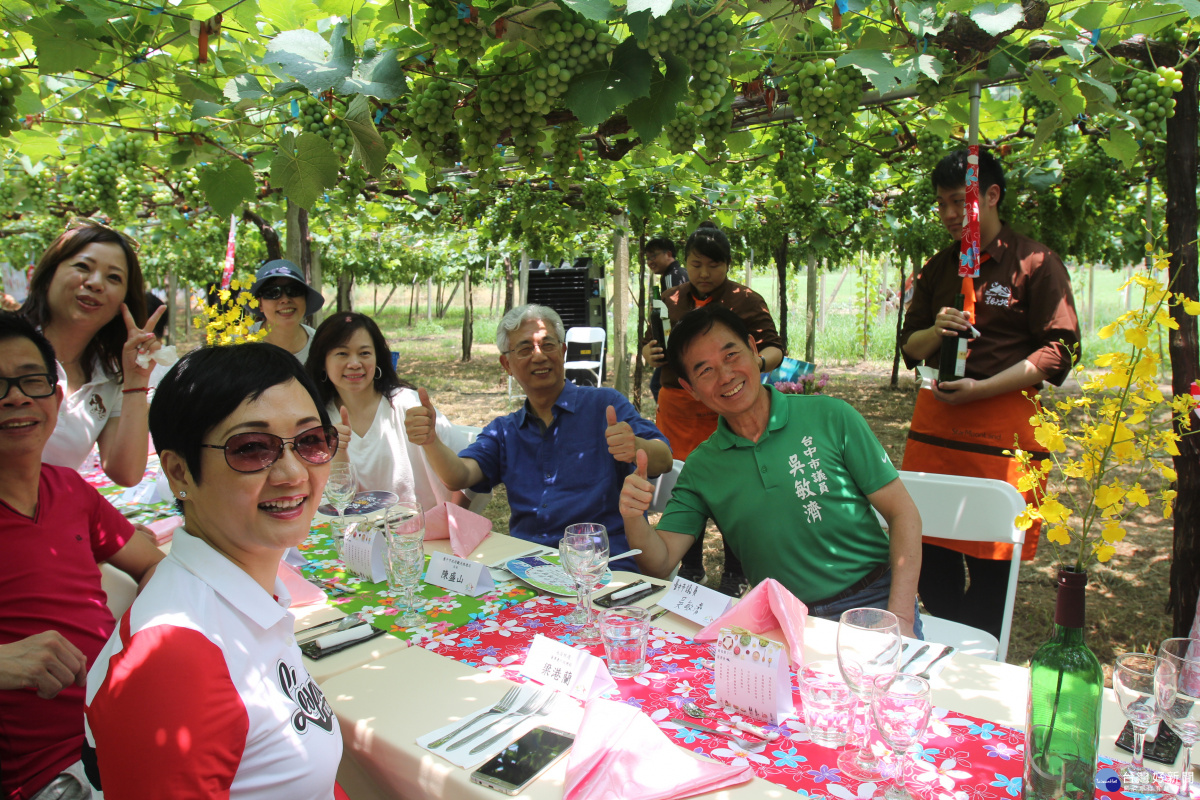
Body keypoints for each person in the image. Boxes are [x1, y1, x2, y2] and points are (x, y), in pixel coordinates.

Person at [85, 343, 345, 797]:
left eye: (310, 441)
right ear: (180, 472)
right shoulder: (174, 664)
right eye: (250, 449)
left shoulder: (246, 597)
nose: (292, 473)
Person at [620, 306, 923, 637]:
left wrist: (901, 618)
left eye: (731, 355)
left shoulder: (831, 416)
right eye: (705, 370)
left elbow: (902, 512)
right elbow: (660, 563)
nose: (725, 376)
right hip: (782, 618)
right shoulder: (703, 466)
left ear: (753, 349)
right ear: (689, 388)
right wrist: (634, 517)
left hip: (871, 601)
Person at [899, 148, 1081, 638]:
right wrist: (937, 330)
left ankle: (971, 655)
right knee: (929, 555)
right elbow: (910, 348)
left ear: (993, 195)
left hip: (1002, 441)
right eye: (941, 204)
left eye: (959, 201)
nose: (949, 215)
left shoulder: (1036, 263)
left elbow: (1059, 352)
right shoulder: (937, 268)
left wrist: (983, 389)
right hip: (936, 439)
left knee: (994, 562)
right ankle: (952, 642)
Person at [0, 312, 162, 800]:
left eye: (32, 380)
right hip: (50, 772)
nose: (16, 397)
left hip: (131, 725)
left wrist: (139, 640)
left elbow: (152, 562)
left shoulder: (68, 489)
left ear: (56, 396)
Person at [405, 304, 673, 573]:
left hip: (601, 569)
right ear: (507, 364)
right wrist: (430, 441)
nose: (539, 356)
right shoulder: (505, 432)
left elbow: (664, 459)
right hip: (528, 570)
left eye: (548, 345)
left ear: (563, 352)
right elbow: (460, 475)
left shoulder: (605, 406)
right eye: (525, 349)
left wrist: (636, 446)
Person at [642, 222, 785, 588]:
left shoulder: (745, 300)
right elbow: (647, 345)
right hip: (677, 408)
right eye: (696, 264)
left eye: (713, 265)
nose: (704, 274)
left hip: (726, 407)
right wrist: (649, 354)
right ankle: (690, 566)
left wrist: (754, 365)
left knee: (733, 487)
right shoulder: (670, 298)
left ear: (727, 264)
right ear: (684, 263)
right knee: (684, 486)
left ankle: (735, 572)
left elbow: (774, 348)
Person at [19, 222, 165, 486]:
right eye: (82, 267)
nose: (96, 283)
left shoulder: (109, 375)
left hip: (40, 518)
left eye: (113, 278)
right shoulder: (9, 348)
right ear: (50, 273)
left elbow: (126, 473)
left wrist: (135, 382)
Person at [307, 312, 463, 510]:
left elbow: (465, 472)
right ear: (323, 362)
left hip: (417, 533)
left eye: (364, 353)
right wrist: (337, 453)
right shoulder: (314, 421)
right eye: (342, 354)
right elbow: (326, 503)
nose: (354, 364)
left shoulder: (408, 405)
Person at [250, 259, 325, 365]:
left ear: (305, 299)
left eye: (294, 290)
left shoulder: (321, 347)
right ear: (260, 304)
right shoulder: (238, 342)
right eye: (273, 292)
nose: (285, 299)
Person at [645, 236, 689, 404]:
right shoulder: (680, 272)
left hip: (677, 343)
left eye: (653, 256)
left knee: (659, 384)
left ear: (668, 254)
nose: (649, 261)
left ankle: (670, 416)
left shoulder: (672, 277)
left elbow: (674, 315)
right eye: (647, 258)